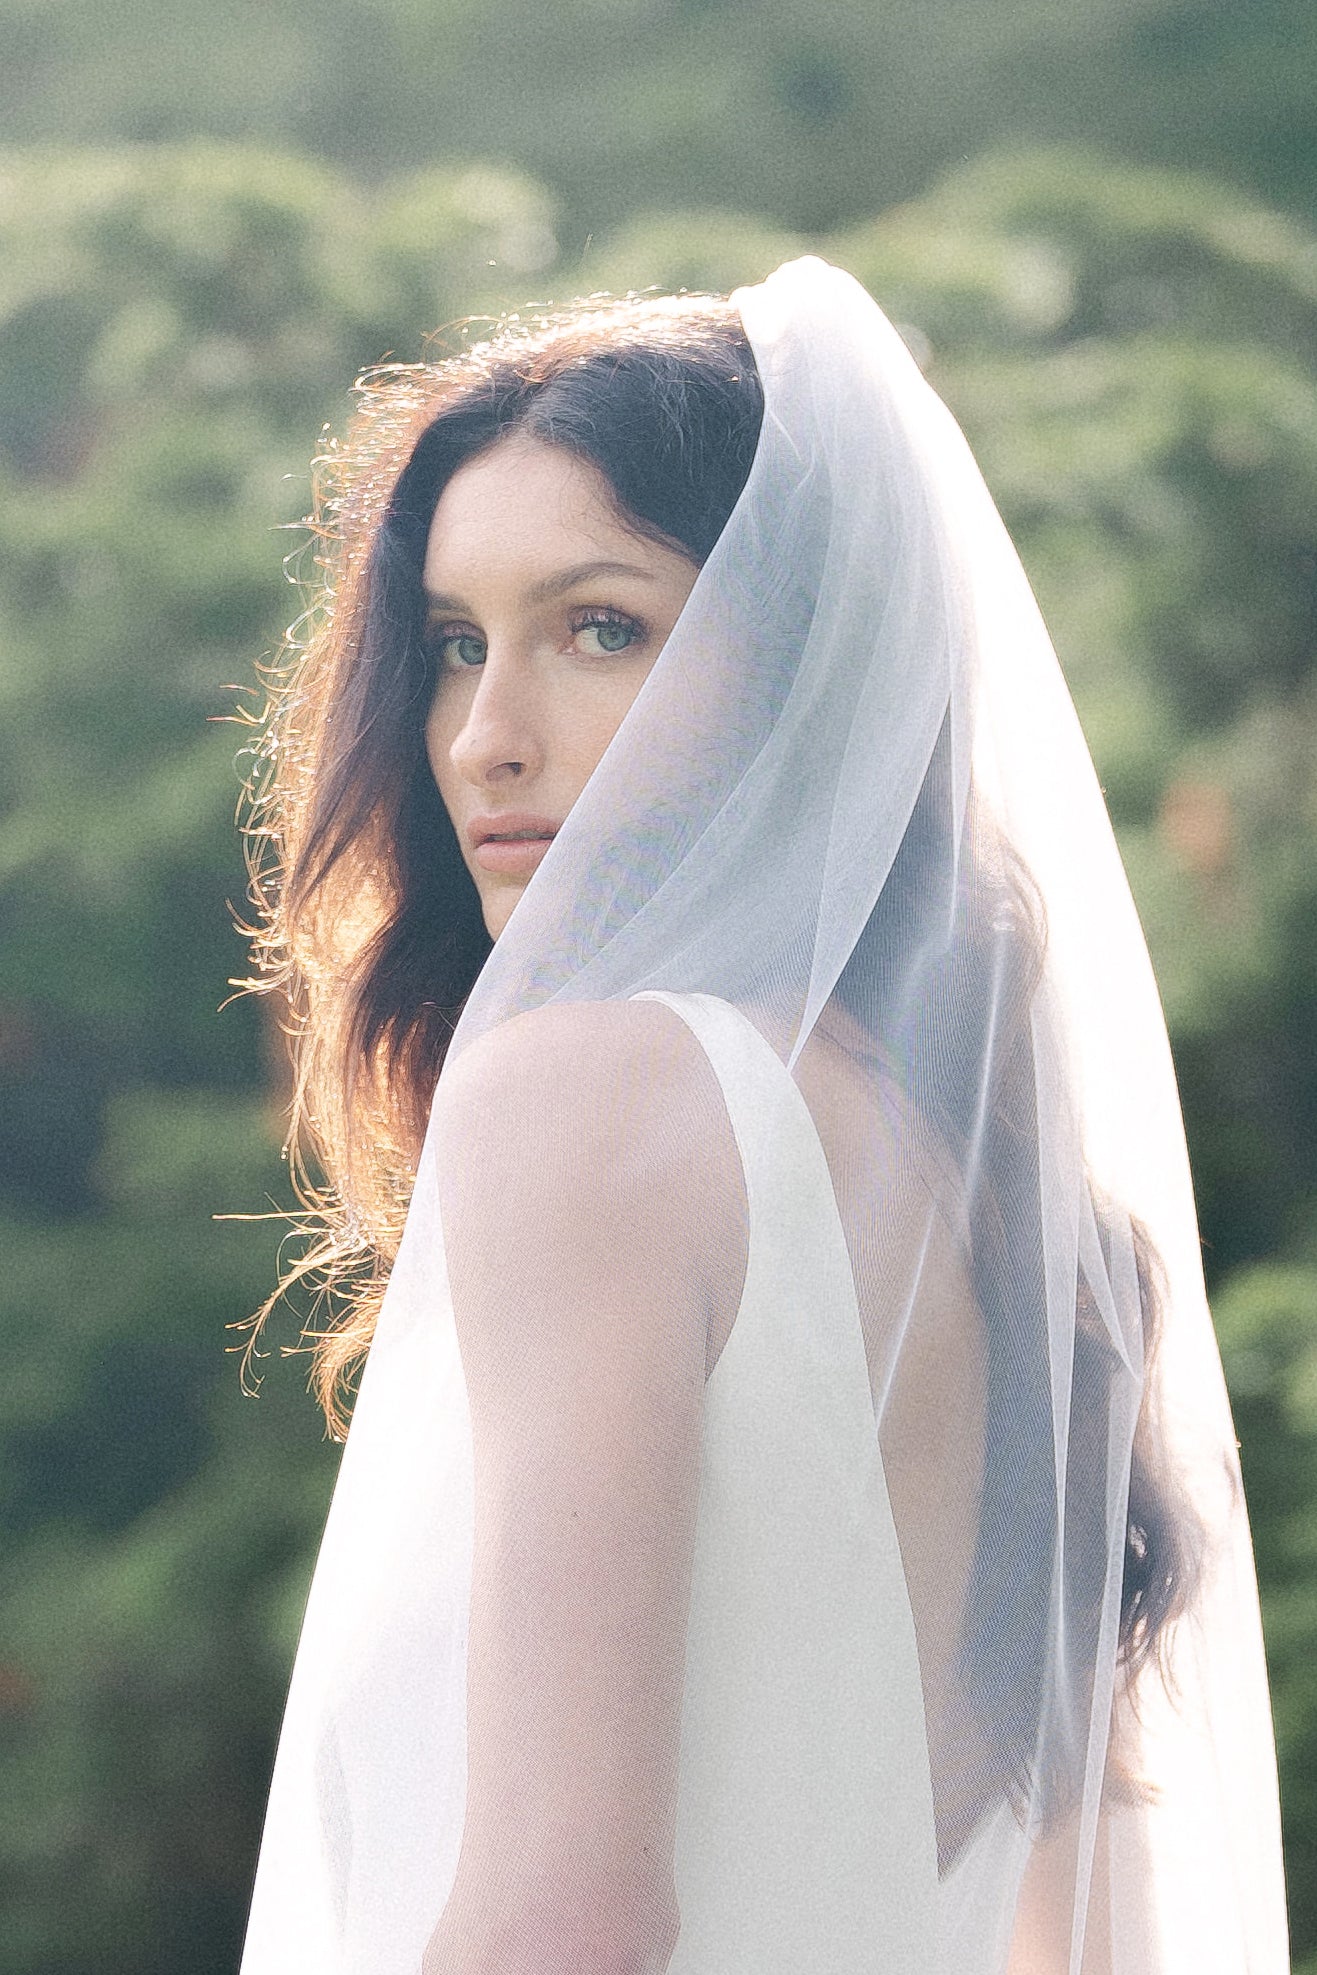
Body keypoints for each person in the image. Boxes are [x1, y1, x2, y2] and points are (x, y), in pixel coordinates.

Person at [236, 258, 1289, 1973]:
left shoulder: (591, 1095)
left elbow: (567, 1913)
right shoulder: (969, 1175)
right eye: (453, 645)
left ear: (805, 669)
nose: (487, 736)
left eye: (602, 627)